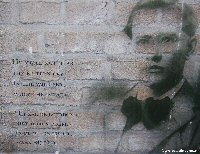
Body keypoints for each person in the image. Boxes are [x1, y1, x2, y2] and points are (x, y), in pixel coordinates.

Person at [120, 0, 200, 152]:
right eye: (143, 41)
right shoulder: (111, 108)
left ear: (189, 48)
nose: (153, 54)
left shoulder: (195, 115)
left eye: (167, 40)